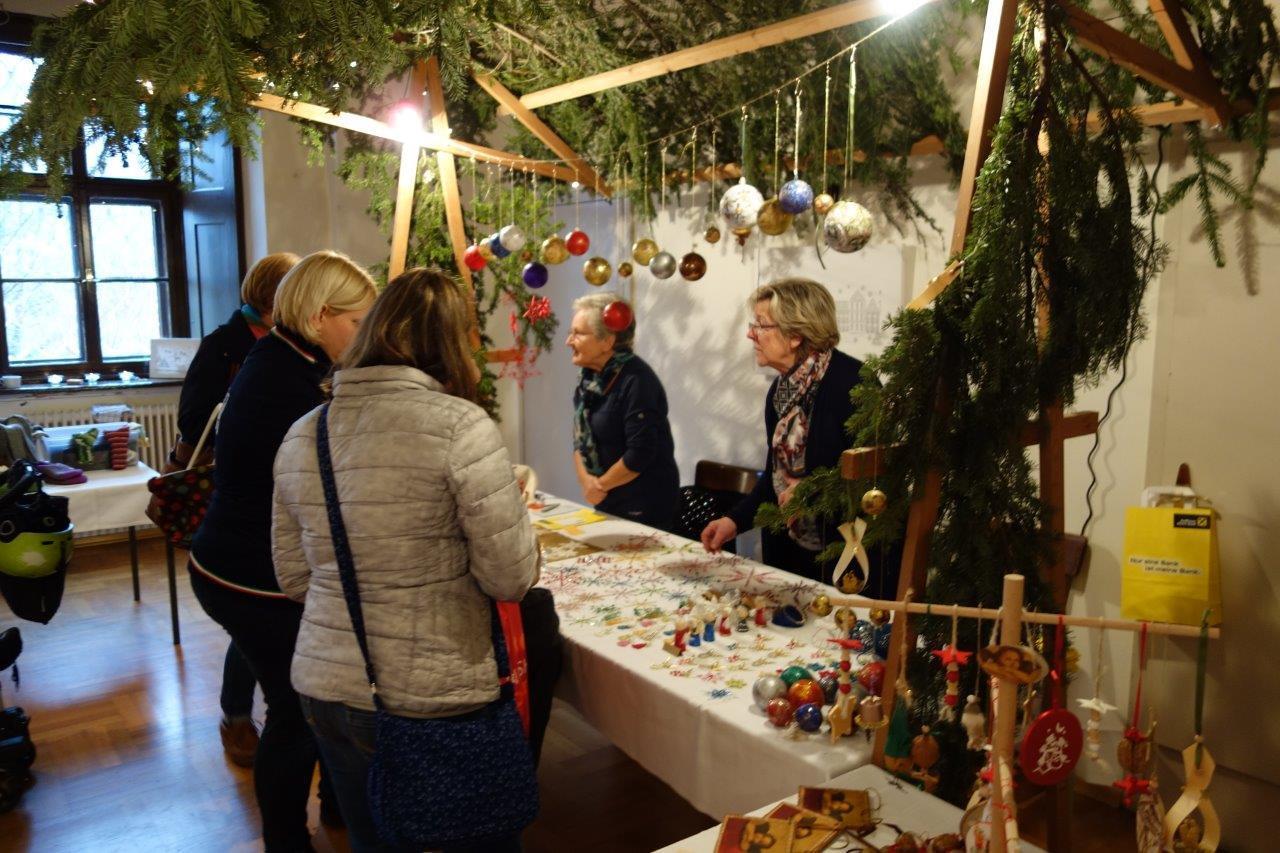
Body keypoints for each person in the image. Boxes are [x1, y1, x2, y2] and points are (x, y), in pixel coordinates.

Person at [271, 268, 540, 853]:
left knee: (375, 841)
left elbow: (293, 577)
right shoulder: (460, 426)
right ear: (452, 342)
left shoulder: (302, 434)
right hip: (431, 689)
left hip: (327, 685)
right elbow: (510, 578)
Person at [188, 250, 377, 851]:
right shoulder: (285, 379)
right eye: (357, 322)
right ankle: (287, 840)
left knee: (316, 699)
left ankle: (340, 808)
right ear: (320, 316)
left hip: (243, 561)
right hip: (246, 573)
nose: (364, 334)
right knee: (296, 712)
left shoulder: (289, 357)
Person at [169, 251, 299, 767]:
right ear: (273, 295)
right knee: (256, 617)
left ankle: (278, 713)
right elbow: (192, 418)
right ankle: (238, 716)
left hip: (284, 497)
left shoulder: (295, 347)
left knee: (271, 618)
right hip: (240, 495)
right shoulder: (224, 343)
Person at [699, 279, 864, 585]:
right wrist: (733, 521)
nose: (750, 334)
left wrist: (809, 491)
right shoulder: (781, 391)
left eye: (761, 325)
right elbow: (774, 480)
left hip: (842, 557)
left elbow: (870, 482)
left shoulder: (853, 384)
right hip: (788, 552)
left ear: (795, 335)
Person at [566, 293, 679, 531]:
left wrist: (599, 486)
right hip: (607, 500)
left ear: (607, 341)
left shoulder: (637, 381)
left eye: (578, 333)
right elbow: (579, 440)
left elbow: (640, 452)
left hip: (644, 506)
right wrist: (588, 483)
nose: (569, 341)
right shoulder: (588, 379)